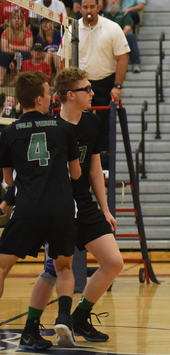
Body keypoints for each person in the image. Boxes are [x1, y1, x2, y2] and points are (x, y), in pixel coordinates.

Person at [24, 68, 123, 347]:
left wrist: (105, 209)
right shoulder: (47, 125)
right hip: (59, 206)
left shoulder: (92, 124)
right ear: (70, 95)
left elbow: (94, 168)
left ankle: (79, 317)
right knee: (54, 269)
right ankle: (31, 326)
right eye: (87, 89)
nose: (93, 93)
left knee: (114, 263)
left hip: (85, 203)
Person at [0, 71, 81, 350]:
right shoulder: (63, 128)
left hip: (28, 210)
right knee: (64, 268)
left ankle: (30, 331)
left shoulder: (8, 132)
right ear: (39, 98)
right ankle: (62, 317)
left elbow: (9, 181)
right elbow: (76, 172)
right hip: (60, 209)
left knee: (1, 267)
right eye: (48, 93)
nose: (51, 97)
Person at [60, 0, 129, 156]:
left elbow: (122, 58)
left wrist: (117, 86)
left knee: (106, 123)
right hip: (79, 85)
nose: (89, 10)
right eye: (85, 7)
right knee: (78, 122)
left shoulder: (112, 28)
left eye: (92, 7)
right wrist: (64, 87)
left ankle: (105, 162)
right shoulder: (72, 30)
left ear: (98, 7)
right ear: (80, 9)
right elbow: (65, 60)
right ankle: (79, 157)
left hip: (106, 83)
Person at [0, 9, 33, 85]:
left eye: (19, 18)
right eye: (14, 18)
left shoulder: (27, 31)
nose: (16, 20)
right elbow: (4, 48)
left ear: (22, 20)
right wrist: (16, 52)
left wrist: (12, 47)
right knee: (3, 55)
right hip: (10, 54)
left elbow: (28, 47)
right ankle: (1, 80)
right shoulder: (6, 31)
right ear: (11, 20)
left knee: (26, 54)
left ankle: (23, 79)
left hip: (23, 54)